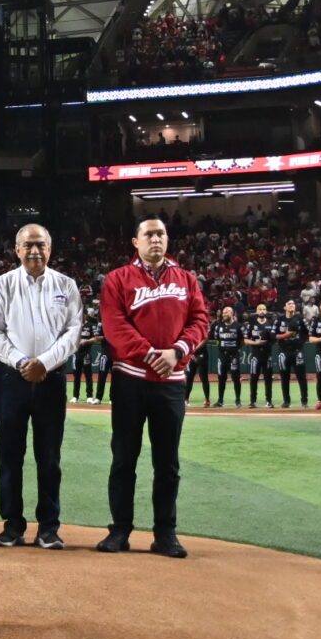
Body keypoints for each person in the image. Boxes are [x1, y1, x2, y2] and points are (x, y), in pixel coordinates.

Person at [98, 217, 208, 557]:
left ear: (168, 239)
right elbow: (114, 325)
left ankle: (165, 533)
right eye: (149, 234)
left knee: (168, 462)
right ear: (136, 241)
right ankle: (119, 531)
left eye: (160, 233)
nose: (155, 239)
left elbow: (200, 320)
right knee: (124, 459)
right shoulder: (118, 279)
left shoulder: (186, 279)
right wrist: (148, 353)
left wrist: (177, 351)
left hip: (171, 382)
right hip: (130, 379)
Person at [0, 222, 81, 548]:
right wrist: (23, 362)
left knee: (49, 457)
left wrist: (45, 363)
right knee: (10, 455)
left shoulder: (66, 285)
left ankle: (49, 527)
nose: (35, 250)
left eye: (40, 244)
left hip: (51, 380)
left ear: (50, 249)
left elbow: (73, 332)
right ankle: (12, 525)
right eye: (28, 245)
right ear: (17, 250)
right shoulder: (2, 285)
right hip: (12, 379)